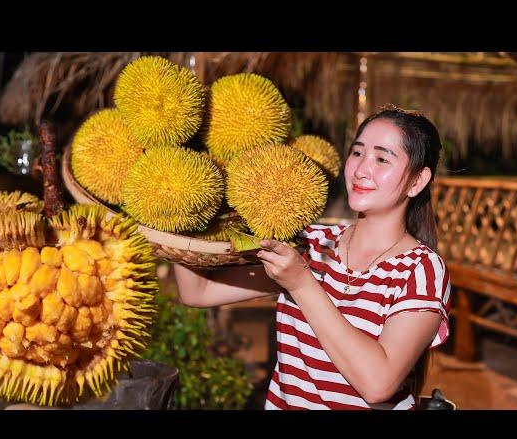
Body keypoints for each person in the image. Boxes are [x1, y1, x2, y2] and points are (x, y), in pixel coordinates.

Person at [174, 105, 450, 410]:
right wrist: (177, 209)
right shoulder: (311, 243)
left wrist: (302, 285)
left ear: (417, 181)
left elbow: (378, 384)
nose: (360, 170)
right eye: (357, 153)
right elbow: (197, 291)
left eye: (382, 159)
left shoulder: (420, 270)